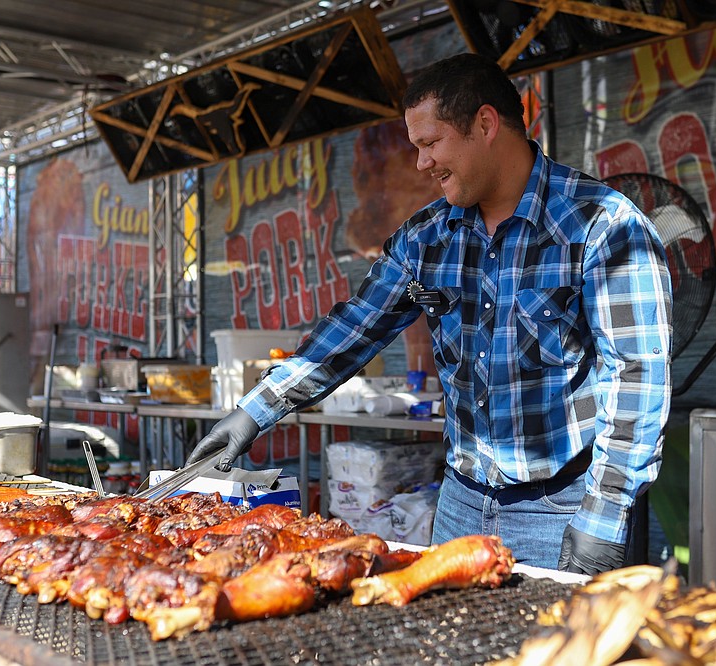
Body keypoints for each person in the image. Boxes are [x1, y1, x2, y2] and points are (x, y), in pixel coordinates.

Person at [188, 53, 673, 575]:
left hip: (561, 507)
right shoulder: (427, 238)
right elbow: (355, 328)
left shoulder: (603, 226)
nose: (421, 163)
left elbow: (637, 379)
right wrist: (257, 410)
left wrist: (604, 516)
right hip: (461, 503)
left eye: (430, 143)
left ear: (485, 124)